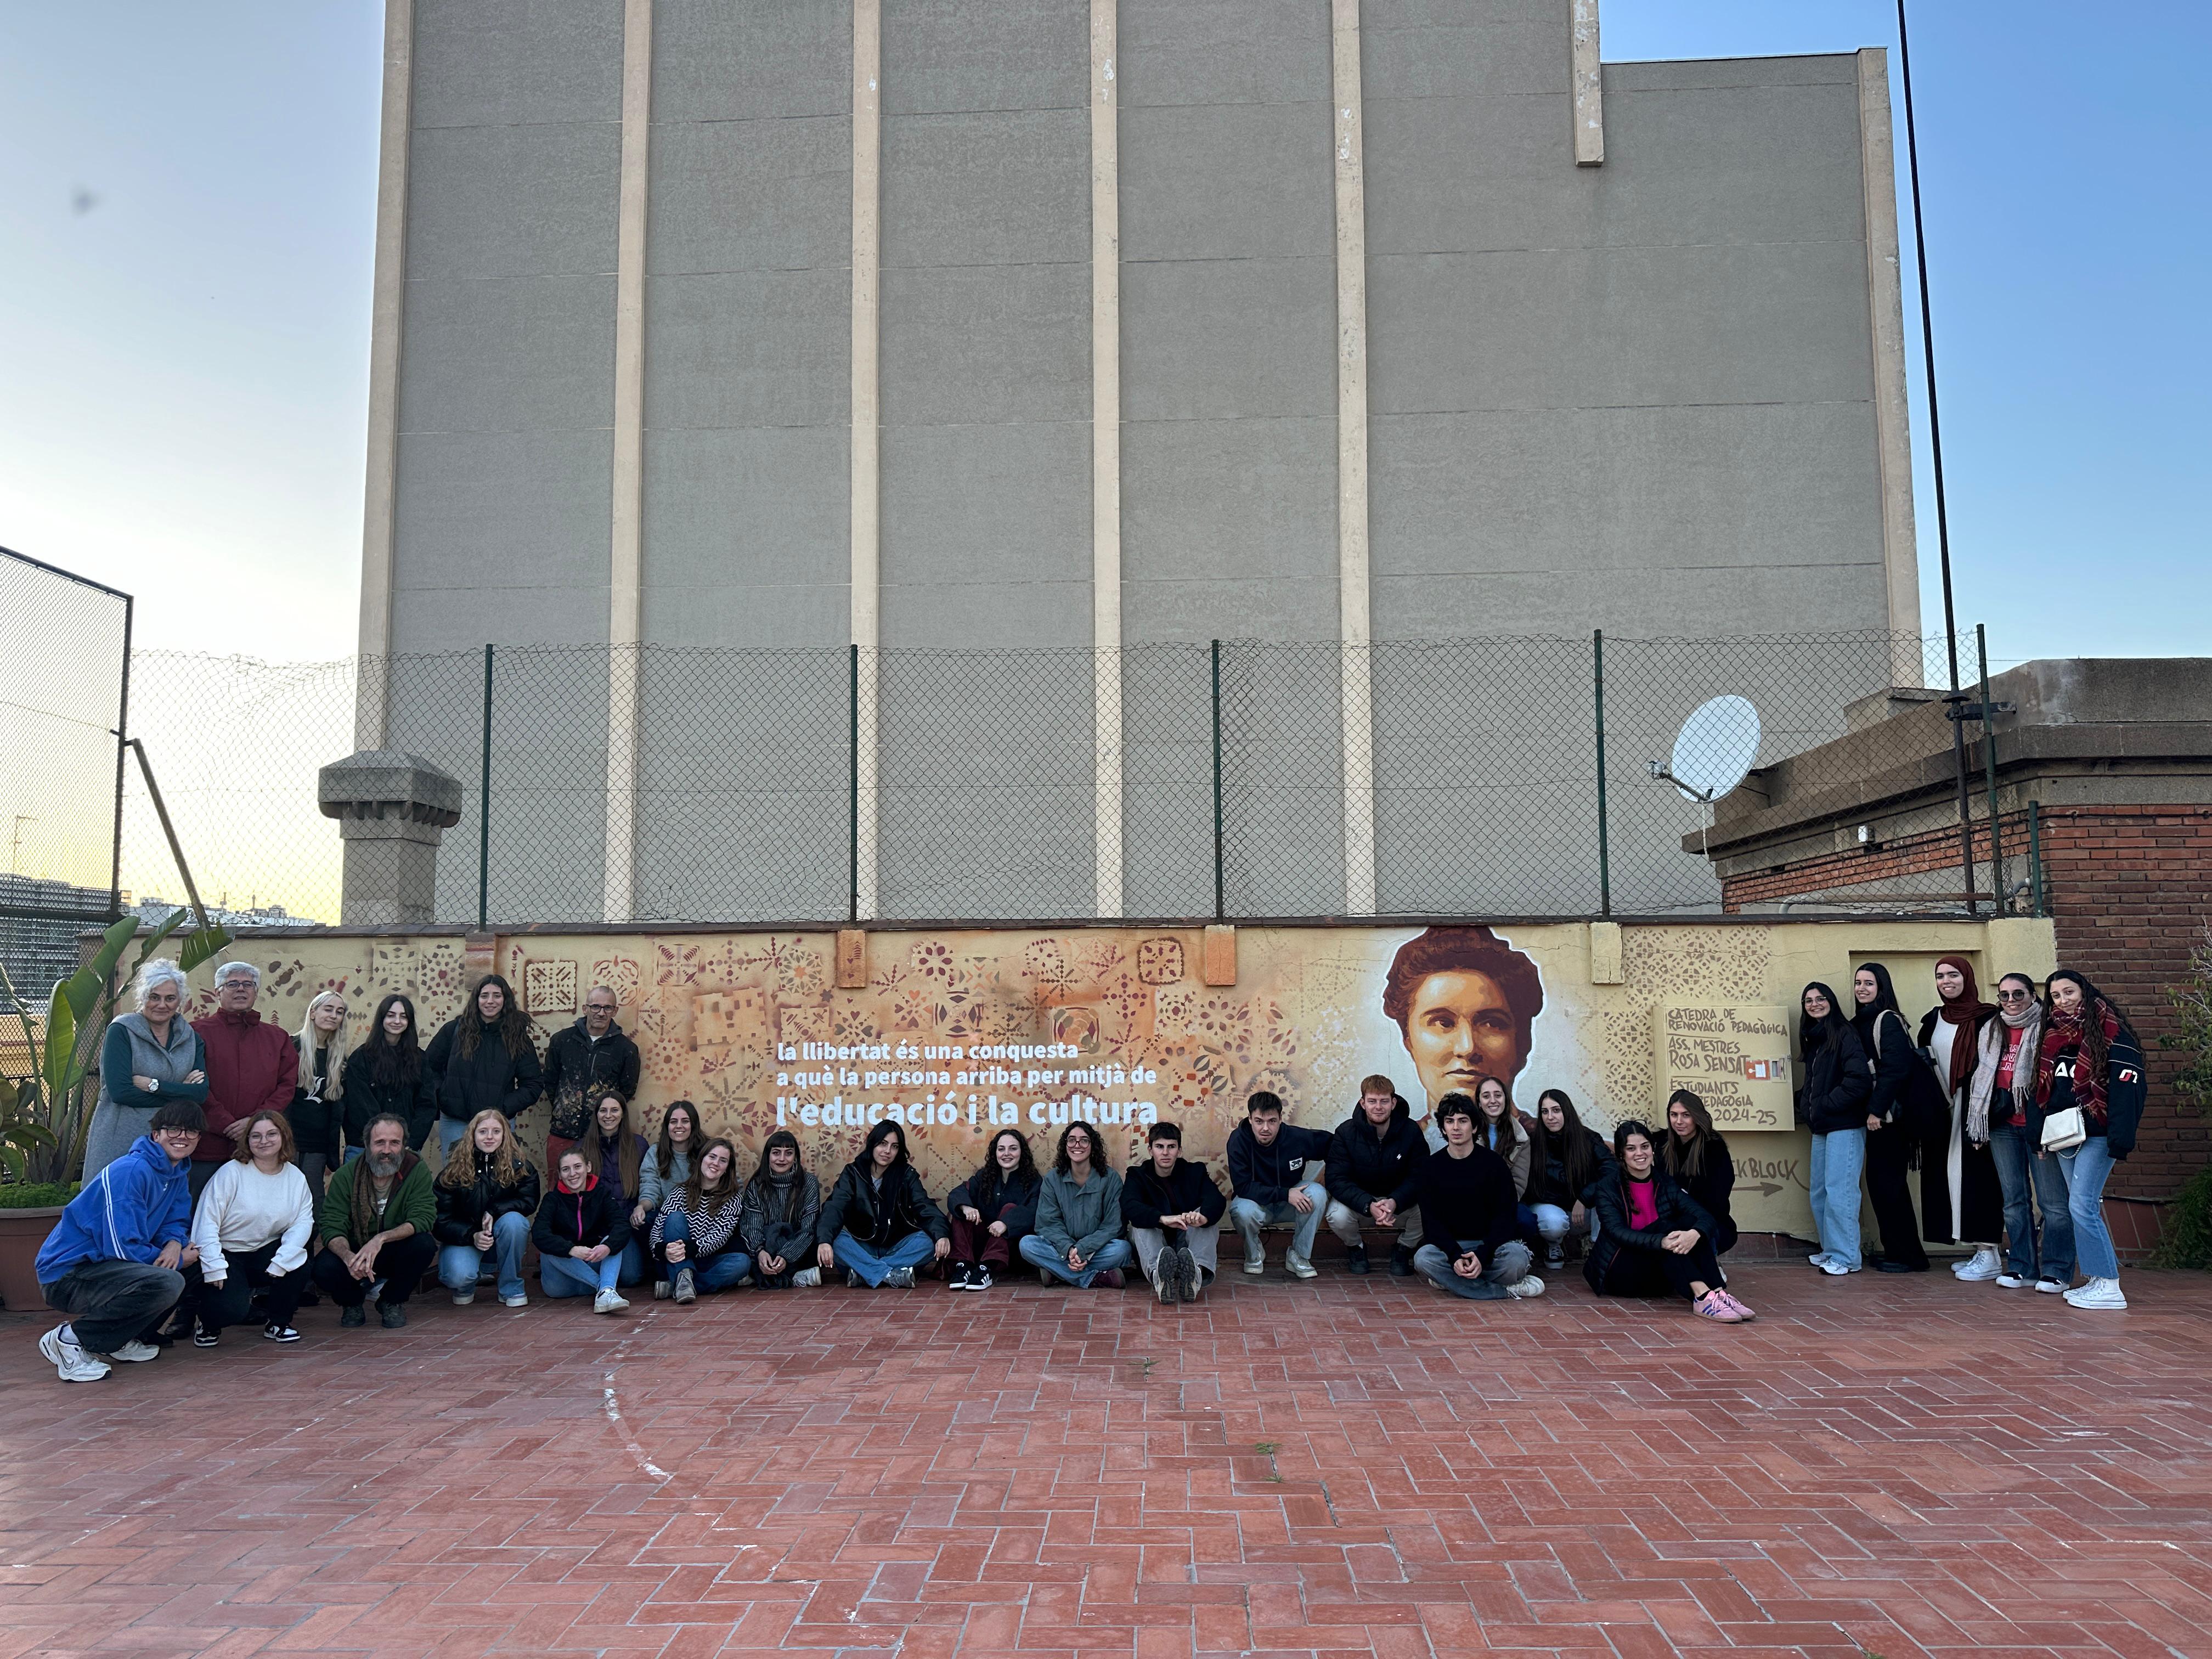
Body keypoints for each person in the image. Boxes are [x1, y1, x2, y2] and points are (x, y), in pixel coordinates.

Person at [33, 1102, 202, 1383]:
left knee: (192, 1269)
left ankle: (119, 1339)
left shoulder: (177, 1173)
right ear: (156, 1134)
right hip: (69, 1274)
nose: (182, 1136)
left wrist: (174, 1244)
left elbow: (176, 1219)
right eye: (173, 1129)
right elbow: (122, 1246)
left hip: (107, 1267)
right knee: (168, 1280)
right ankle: (68, 1340)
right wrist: (179, 1258)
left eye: (191, 1131)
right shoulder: (131, 1171)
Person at [2035, 969, 2148, 1312]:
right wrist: (2041, 1137)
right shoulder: (2054, 1037)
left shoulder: (2113, 1034)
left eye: (2069, 992)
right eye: (2056, 996)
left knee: (2082, 1206)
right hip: (2066, 1135)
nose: (2063, 1000)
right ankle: (2098, 1280)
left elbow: (2130, 1092)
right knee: (2080, 1206)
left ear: (2084, 991)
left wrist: (2120, 1140)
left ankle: (2110, 1287)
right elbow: (2048, 1093)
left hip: (2098, 1135)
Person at [1383, 926, 1546, 1136]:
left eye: (1492, 1024)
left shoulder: (1572, 1150)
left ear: (1523, 1041)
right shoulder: (1387, 1149)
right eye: (1443, 1022)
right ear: (1408, 1038)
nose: (1467, 1048)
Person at [1584, 1120, 1754, 1322]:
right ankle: (1702, 1296)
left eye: (1645, 1146)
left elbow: (1704, 1216)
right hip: (1620, 1273)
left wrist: (1694, 1234)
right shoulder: (1608, 1187)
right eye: (1631, 1149)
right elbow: (1617, 1232)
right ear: (1621, 1154)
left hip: (1659, 1272)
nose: (1640, 1153)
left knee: (1689, 1224)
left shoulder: (1664, 1182)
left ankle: (1718, 1293)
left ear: (1653, 1149)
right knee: (1667, 1230)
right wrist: (1661, 1242)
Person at [183, 1109, 316, 1345]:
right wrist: (213, 1266)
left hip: (264, 1251)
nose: (264, 1141)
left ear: (284, 1136)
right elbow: (207, 1222)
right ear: (247, 1141)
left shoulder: (295, 1177)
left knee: (299, 1259)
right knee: (232, 1310)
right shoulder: (231, 1173)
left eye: (272, 1134)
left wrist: (283, 1260)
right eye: (256, 1136)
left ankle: (278, 1322)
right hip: (227, 1253)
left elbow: (303, 1222)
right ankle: (209, 1323)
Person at [1976, 973, 2073, 1293]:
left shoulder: (2049, 1029)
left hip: (2039, 1126)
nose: (2011, 1001)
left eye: (2018, 994)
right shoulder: (1992, 1029)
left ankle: (2058, 1270)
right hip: (2003, 1125)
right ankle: (2022, 1267)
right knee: (2014, 1201)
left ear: (2033, 995)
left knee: (2053, 1203)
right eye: (2004, 996)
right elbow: (1983, 1076)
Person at [1918, 956, 2006, 1282]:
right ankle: (1977, 1249)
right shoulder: (1932, 1019)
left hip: (1976, 1112)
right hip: (1943, 1111)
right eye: (1940, 976)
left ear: (1967, 977)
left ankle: (1988, 1251)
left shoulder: (1988, 1018)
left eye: (1953, 975)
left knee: (1978, 1179)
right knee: (1950, 1177)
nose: (1946, 981)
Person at [1408, 1092, 1542, 1301]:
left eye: (1463, 1121)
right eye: (1450, 1122)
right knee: (1423, 1259)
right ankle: (1505, 1290)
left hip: (1491, 1247)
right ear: (1443, 1128)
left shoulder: (1494, 1165)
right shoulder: (1431, 1168)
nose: (1456, 1128)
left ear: (1475, 1127)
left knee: (1516, 1259)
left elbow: (1505, 1217)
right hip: (1452, 1248)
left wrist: (1483, 1254)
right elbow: (1432, 1223)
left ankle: (1451, 1281)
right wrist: (1453, 1256)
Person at [82, 958, 207, 1181]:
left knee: (161, 1206)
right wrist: (180, 1092)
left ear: (180, 1001)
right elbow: (120, 1093)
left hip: (172, 1142)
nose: (162, 1005)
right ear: (142, 998)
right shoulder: (122, 1031)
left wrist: (152, 1085)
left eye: (170, 998)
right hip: (120, 1136)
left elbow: (199, 1094)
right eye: (154, 997)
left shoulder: (191, 1039)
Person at [312, 1111, 439, 1328]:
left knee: (424, 1245)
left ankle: (391, 1301)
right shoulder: (346, 1176)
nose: (387, 1150)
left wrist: (380, 1239)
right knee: (323, 1268)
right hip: (356, 1249)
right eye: (380, 1143)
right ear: (367, 1145)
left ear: (404, 1145)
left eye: (394, 1143)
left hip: (393, 1249)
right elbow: (332, 1225)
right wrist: (348, 1257)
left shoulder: (415, 1170)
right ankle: (352, 1303)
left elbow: (423, 1217)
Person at [190, 961, 299, 1203]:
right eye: (232, 984)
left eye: (248, 984)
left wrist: (254, 1123)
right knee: (198, 1213)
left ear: (256, 992)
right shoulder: (196, 1032)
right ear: (218, 991)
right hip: (207, 1145)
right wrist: (226, 1124)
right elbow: (194, 1082)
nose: (241, 989)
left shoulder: (277, 1038)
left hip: (259, 1148)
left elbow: (287, 1086)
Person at [1851, 963, 1932, 1274]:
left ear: (1881, 988)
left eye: (1869, 983)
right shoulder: (1861, 1020)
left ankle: (1910, 1256)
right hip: (1878, 1118)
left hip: (1890, 1120)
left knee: (1890, 1186)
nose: (1862, 988)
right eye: (1858, 983)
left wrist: (1876, 1110)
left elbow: (1896, 1070)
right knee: (1882, 1185)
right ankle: (1896, 1250)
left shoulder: (1889, 1021)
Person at [815, 1120, 951, 1288]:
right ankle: (890, 1274)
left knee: (929, 1241)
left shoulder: (906, 1175)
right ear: (873, 1144)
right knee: (836, 1240)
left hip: (898, 1247)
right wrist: (824, 1241)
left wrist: (941, 1235)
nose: (887, 1151)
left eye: (894, 1147)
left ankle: (865, 1272)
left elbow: (925, 1206)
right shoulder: (853, 1173)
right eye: (883, 1144)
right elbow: (834, 1208)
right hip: (863, 1246)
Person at [1797, 980, 1871, 1276]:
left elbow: (1859, 1080)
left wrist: (1826, 1104)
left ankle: (1846, 1257)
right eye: (1809, 1001)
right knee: (1820, 1192)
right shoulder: (1813, 1038)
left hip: (1845, 1125)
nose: (1815, 1004)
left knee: (1841, 1192)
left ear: (1832, 1002)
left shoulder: (1843, 1033)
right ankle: (1831, 1250)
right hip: (1821, 1127)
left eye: (1821, 998)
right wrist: (1808, 1107)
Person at [424, 974, 543, 1157]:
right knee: (455, 1179)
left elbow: (533, 1084)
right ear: (476, 999)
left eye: (497, 995)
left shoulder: (518, 1039)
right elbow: (427, 1068)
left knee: (497, 1179)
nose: (490, 1001)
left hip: (497, 1124)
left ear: (506, 1000)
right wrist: (444, 1096)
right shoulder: (454, 1030)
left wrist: (503, 1107)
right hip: (456, 1121)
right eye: (484, 995)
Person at [433, 1108, 541, 1307]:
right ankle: (467, 1283)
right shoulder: (453, 1170)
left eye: (496, 1131)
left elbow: (528, 1201)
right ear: (472, 1135)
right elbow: (440, 1221)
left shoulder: (520, 1165)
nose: (490, 1137)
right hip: (465, 1239)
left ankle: (511, 1286)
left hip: (499, 1235)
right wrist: (472, 1235)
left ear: (505, 1134)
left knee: (516, 1223)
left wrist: (494, 1211)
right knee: (458, 1276)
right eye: (483, 1132)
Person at [1323, 1075, 1426, 1275]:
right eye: (1372, 1101)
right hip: (1361, 1206)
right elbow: (1336, 1180)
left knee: (1432, 1206)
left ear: (1393, 1103)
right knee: (1337, 1216)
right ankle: (1356, 1248)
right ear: (1363, 1103)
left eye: (1384, 1101)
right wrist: (1369, 1204)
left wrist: (1395, 1201)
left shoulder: (1411, 1131)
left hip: (1398, 1206)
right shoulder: (1346, 1133)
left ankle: (1403, 1248)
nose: (1378, 1107)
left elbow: (1420, 1176)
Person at [1224, 1090, 1330, 1278]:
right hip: (1257, 1204)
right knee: (1240, 1210)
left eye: (1272, 1121)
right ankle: (1254, 1253)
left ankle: (1299, 1256)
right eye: (1259, 1121)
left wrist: (1335, 1178)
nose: (1266, 1128)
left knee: (1317, 1193)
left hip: (1290, 1203)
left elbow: (1337, 1146)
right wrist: (1285, 1193)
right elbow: (1243, 1187)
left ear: (1281, 1119)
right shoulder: (1238, 1140)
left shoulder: (1295, 1138)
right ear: (1250, 1119)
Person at [1018, 1120, 1133, 1289]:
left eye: (1084, 1140)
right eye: (1071, 1140)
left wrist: (1083, 1248)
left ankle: (1057, 1272)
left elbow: (1114, 1225)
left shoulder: (1110, 1178)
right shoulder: (1053, 1179)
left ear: (1093, 1146)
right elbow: (1048, 1224)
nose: (1077, 1145)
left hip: (1097, 1250)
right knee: (1027, 1245)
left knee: (1122, 1249)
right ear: (1065, 1145)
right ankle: (1094, 1278)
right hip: (1062, 1249)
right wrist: (1070, 1248)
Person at [1124, 1121, 1228, 1305]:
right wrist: (1161, 1219)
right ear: (1150, 1150)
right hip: (1156, 1244)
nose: (1165, 1153)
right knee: (1141, 1223)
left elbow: (1216, 1199)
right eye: (1160, 1147)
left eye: (1171, 1147)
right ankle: (1160, 1276)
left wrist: (1202, 1217)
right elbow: (1129, 1205)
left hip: (1186, 1244)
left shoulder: (1194, 1172)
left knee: (1205, 1218)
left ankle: (1195, 1274)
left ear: (1179, 1151)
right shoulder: (1137, 1175)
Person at [541, 985, 641, 1172]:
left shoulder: (626, 1049)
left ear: (615, 1010)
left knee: (598, 1190)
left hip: (601, 1137)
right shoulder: (562, 1041)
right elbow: (550, 1081)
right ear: (585, 1009)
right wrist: (566, 1106)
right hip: (563, 1132)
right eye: (595, 1007)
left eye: (607, 1008)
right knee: (559, 1190)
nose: (601, 1013)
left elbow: (625, 1092)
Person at [533, 1146, 637, 1312]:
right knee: (550, 1247)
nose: (572, 1174)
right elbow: (539, 1234)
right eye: (566, 1170)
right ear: (560, 1175)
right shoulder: (552, 1200)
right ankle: (605, 1289)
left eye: (577, 1167)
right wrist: (571, 1249)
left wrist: (607, 1247)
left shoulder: (601, 1194)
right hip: (562, 1283)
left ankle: (605, 1290)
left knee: (612, 1242)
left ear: (588, 1167)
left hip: (591, 1263)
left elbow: (621, 1225)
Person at [651, 1136, 753, 1301]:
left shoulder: (733, 1200)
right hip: (674, 1261)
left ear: (727, 1168)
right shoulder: (679, 1193)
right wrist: (663, 1250)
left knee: (742, 1262)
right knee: (676, 1218)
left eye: (723, 1160)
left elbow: (720, 1236)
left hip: (706, 1260)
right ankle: (683, 1277)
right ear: (702, 1159)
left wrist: (689, 1248)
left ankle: (676, 1287)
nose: (716, 1163)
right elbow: (658, 1229)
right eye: (712, 1157)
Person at [1525, 1087, 1612, 1272]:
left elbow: (1611, 1172)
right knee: (1555, 1222)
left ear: (1566, 1111)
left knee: (1606, 1197)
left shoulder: (1588, 1139)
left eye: (1556, 1110)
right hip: (1548, 1210)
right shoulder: (1534, 1142)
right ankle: (1553, 1245)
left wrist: (1584, 1198)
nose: (1550, 1117)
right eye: (1545, 1112)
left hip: (1582, 1212)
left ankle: (1600, 1251)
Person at [946, 1128, 1042, 1291]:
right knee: (961, 1211)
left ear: (1022, 1152)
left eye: (1013, 1148)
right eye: (1001, 1149)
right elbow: (958, 1193)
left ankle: (986, 1268)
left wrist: (1006, 1223)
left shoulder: (1034, 1181)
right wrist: (966, 1207)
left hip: (1011, 1252)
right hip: (981, 1246)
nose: (1007, 1154)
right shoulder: (985, 1176)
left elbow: (1035, 1211)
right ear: (995, 1152)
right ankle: (964, 1266)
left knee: (1010, 1208)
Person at [341, 995, 438, 1155]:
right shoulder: (362, 1058)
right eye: (391, 1015)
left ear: (410, 1022)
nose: (397, 1021)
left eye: (403, 1017)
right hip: (364, 1147)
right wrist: (382, 1139)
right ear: (382, 1018)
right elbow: (359, 1105)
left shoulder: (419, 1059)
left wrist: (411, 1142)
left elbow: (426, 1104)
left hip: (406, 1148)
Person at [574, 1094, 648, 1283]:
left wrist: (639, 1208)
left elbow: (647, 1183)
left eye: (614, 1110)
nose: (608, 1116)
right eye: (603, 1110)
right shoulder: (582, 1148)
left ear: (623, 1114)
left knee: (632, 1277)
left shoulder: (638, 1145)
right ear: (596, 1114)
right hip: (595, 1226)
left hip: (625, 1225)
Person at [738, 1130, 822, 1289]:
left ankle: (765, 1276)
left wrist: (786, 1256)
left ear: (795, 1157)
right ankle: (796, 1277)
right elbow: (752, 1226)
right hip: (765, 1247)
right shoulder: (757, 1185)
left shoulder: (809, 1183)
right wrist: (760, 1252)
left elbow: (808, 1228)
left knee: (819, 1241)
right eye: (776, 1153)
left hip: (798, 1248)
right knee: (740, 1242)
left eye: (788, 1153)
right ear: (768, 1156)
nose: (782, 1159)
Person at [1658, 1090, 1736, 1261]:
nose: (1679, 1121)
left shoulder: (1714, 1148)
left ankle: (1710, 1261)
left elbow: (1719, 1198)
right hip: (1671, 1217)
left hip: (1708, 1220)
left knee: (1687, 1225)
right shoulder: (1664, 1142)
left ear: (1697, 1116)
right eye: (1674, 1115)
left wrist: (1698, 1225)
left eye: (1686, 1115)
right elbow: (1633, 1142)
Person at [287, 990, 350, 1199]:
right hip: (288, 1138)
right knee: (287, 1197)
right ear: (313, 1013)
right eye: (328, 1009)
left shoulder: (339, 1058)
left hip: (318, 1144)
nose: (334, 1015)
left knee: (314, 1201)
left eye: (339, 1012)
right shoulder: (290, 1047)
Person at [635, 1099, 701, 1237]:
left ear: (693, 1125)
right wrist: (641, 1207)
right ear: (667, 1126)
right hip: (666, 1216)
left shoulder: (707, 1151)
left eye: (685, 1121)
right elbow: (650, 1189)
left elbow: (730, 1182)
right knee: (644, 1222)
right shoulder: (655, 1153)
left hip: (702, 1217)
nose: (679, 1126)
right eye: (673, 1122)